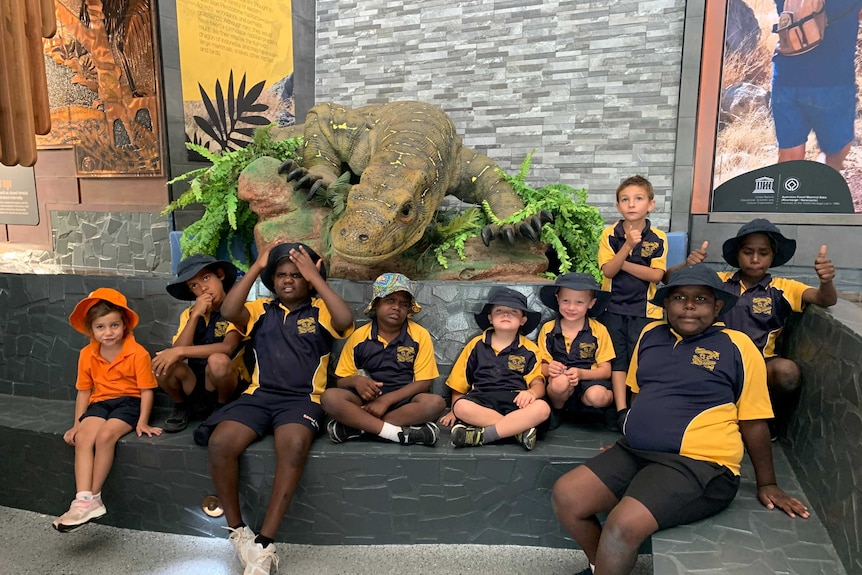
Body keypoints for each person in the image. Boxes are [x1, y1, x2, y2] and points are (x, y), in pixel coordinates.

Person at [552, 265, 809, 575]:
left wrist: (768, 483)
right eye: (679, 298)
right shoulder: (650, 335)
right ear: (665, 305)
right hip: (637, 453)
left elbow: (753, 420)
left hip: (701, 465)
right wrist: (633, 437)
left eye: (700, 299)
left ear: (717, 307)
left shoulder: (738, 346)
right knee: (567, 496)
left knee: (622, 526)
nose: (689, 305)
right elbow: (640, 394)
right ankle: (600, 568)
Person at [194, 242, 354, 575]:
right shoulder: (259, 309)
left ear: (308, 279)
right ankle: (239, 532)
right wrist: (255, 267)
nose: (288, 280)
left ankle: (265, 543)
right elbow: (228, 312)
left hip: (304, 399)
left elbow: (345, 318)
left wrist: (316, 277)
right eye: (280, 274)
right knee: (221, 442)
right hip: (260, 395)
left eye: (296, 275)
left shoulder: (320, 309)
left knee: (293, 443)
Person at [53, 288, 163, 532]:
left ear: (124, 326)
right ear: (91, 330)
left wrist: (142, 422)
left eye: (114, 325)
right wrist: (78, 422)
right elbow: (84, 391)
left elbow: (146, 391)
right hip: (100, 403)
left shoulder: (138, 353)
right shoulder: (86, 354)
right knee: (84, 437)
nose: (108, 332)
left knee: (105, 437)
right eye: (100, 327)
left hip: (129, 402)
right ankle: (82, 500)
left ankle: (95, 496)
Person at [718, 219, 836, 436]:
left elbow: (824, 299)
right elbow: (676, 283)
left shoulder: (783, 288)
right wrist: (687, 266)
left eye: (763, 253)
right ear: (737, 254)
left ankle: (767, 418)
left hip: (762, 364)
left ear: (772, 256)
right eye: (747, 251)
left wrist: (826, 281)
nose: (755, 259)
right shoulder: (718, 282)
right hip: (720, 359)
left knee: (787, 372)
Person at [322, 273, 445, 446]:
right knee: (330, 398)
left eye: (403, 304)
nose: (397, 307)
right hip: (367, 403)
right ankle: (395, 433)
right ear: (376, 304)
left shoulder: (419, 335)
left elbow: (424, 382)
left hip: (403, 403)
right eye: (390, 300)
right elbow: (341, 381)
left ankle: (359, 427)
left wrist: (386, 400)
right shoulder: (360, 337)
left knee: (435, 403)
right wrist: (356, 381)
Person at [442, 286, 550, 451]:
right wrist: (454, 411)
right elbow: (459, 383)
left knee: (542, 408)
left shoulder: (530, 349)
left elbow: (538, 384)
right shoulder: (476, 345)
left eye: (513, 311)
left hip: (516, 401)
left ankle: (484, 435)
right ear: (490, 318)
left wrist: (531, 393)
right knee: (461, 407)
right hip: (481, 400)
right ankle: (518, 431)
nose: (506, 314)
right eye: (499, 310)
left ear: (523, 320)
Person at [597, 175, 667, 430]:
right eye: (625, 199)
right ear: (618, 206)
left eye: (638, 198)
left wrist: (621, 262)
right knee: (618, 360)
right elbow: (608, 272)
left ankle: (638, 410)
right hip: (612, 308)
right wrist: (627, 246)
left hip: (645, 311)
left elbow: (656, 275)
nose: (631, 204)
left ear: (651, 204)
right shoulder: (610, 234)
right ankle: (620, 410)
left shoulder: (658, 237)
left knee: (641, 361)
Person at [156, 254, 246, 433]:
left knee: (217, 360)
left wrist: (181, 352)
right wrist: (195, 315)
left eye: (206, 278)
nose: (203, 288)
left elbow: (228, 348)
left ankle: (221, 408)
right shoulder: (190, 314)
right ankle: (182, 407)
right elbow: (176, 352)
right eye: (194, 285)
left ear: (220, 275)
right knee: (163, 363)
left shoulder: (235, 310)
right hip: (196, 383)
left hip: (227, 382)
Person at [771, 0, 862, 171]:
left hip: (786, 78)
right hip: (833, 80)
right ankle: (817, 187)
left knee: (789, 157)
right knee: (834, 155)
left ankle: (787, 195)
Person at [537, 273, 615, 424]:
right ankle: (558, 410)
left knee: (597, 396)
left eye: (579, 302)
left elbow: (606, 371)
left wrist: (581, 374)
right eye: (566, 301)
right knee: (559, 383)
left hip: (590, 381)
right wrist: (550, 369)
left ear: (591, 303)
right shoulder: (548, 329)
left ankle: (603, 411)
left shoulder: (599, 330)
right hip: (561, 385)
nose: (571, 307)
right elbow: (540, 366)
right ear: (557, 299)